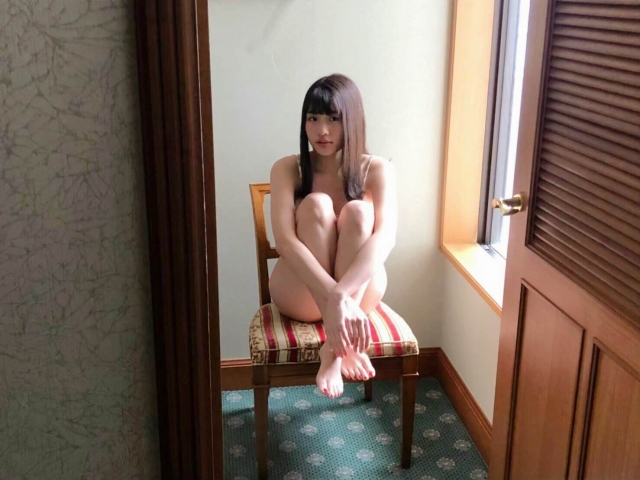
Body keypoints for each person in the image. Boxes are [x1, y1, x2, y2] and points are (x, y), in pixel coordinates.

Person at [269, 74, 398, 399]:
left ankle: (333, 349)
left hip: (357, 293)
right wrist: (335, 296)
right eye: (313, 119)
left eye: (333, 119)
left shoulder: (377, 169)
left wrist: (342, 294)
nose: (322, 131)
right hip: (301, 292)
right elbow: (284, 241)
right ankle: (343, 339)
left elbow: (386, 237)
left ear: (352, 121)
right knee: (316, 204)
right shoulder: (287, 168)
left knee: (360, 213)